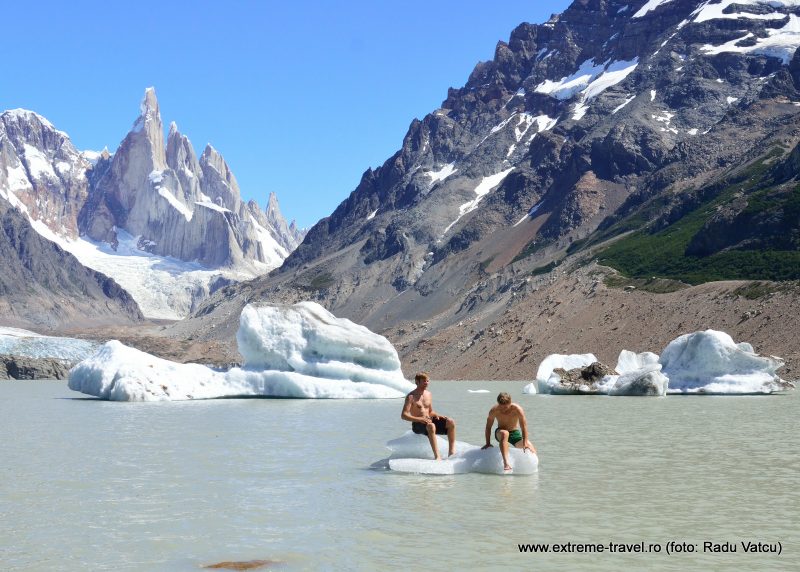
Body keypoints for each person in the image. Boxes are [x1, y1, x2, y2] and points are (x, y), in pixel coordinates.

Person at [401, 372, 456, 459]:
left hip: (429, 421)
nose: (426, 383)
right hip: (417, 425)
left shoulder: (428, 394)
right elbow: (404, 415)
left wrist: (436, 415)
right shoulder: (411, 396)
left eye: (427, 381)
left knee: (450, 421)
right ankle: (437, 455)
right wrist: (419, 419)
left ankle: (452, 452)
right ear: (417, 382)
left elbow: (430, 411)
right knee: (431, 426)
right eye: (424, 381)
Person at [481, 392, 536, 471]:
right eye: (501, 407)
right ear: (498, 404)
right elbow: (488, 427)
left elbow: (524, 427)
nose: (503, 410)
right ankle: (506, 463)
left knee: (530, 447)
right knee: (505, 433)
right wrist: (488, 443)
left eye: (506, 407)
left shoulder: (517, 409)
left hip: (514, 433)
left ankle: (534, 469)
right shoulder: (494, 410)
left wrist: (525, 443)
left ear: (510, 403)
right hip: (500, 432)